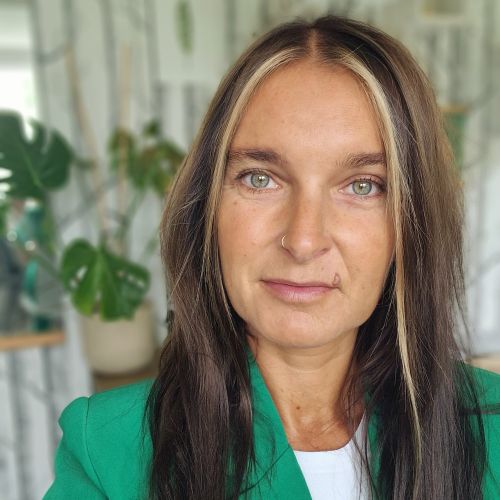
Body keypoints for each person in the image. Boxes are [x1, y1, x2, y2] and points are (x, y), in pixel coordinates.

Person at [44, 15, 500, 500]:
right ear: (207, 206)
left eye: (363, 186)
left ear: (411, 225)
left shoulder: (490, 428)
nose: (303, 241)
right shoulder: (107, 450)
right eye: (260, 178)